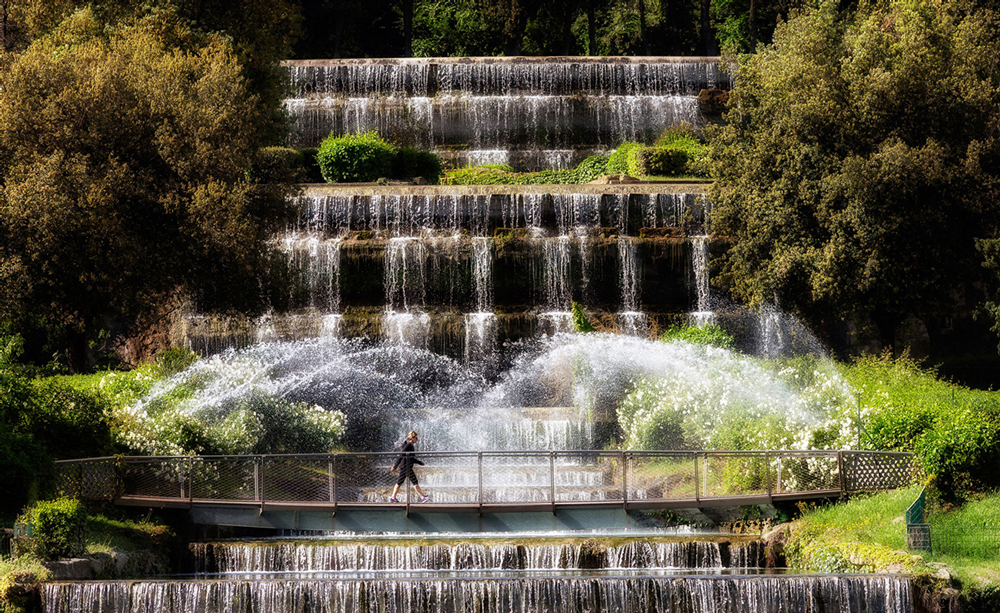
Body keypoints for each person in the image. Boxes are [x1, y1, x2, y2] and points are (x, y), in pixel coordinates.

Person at [389, 430, 430, 503]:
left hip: (405, 466)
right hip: (406, 467)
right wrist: (395, 466)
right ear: (413, 438)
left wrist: (419, 462)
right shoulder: (408, 445)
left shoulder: (409, 445)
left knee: (399, 482)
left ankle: (393, 497)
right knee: (414, 482)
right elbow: (401, 455)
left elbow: (411, 458)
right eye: (416, 438)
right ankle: (422, 497)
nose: (417, 440)